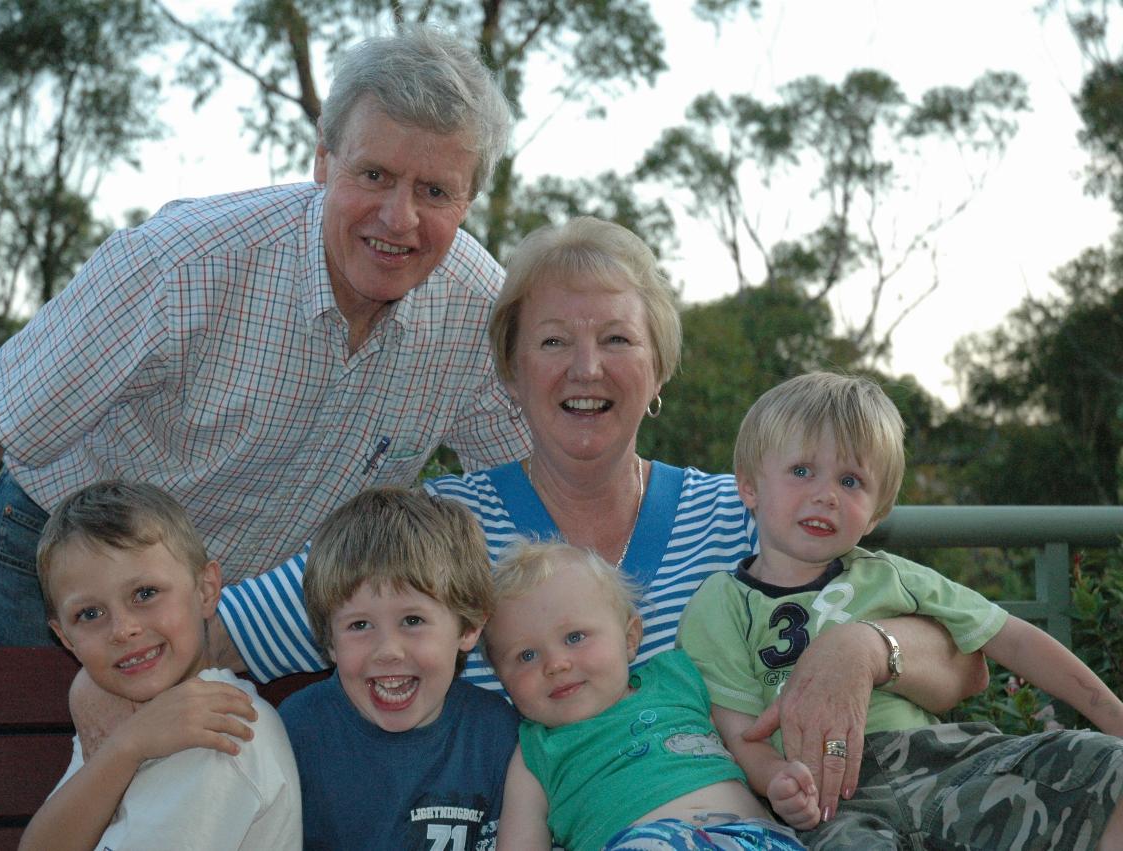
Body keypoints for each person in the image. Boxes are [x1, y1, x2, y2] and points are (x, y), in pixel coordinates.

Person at [217, 216, 987, 818]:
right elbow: (234, 632)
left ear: (657, 369)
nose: (587, 368)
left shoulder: (753, 516)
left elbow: (965, 663)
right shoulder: (438, 530)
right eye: (554, 341)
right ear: (512, 374)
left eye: (617, 339)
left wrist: (863, 645)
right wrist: (99, 691)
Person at [0, 26, 528, 681]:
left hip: (266, 624)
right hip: (73, 579)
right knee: (5, 793)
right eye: (375, 174)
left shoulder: (481, 314)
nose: (398, 217)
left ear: (469, 199)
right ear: (323, 158)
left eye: (434, 190)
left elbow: (527, 487)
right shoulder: (184, 265)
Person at [679, 371, 1123, 848]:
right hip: (828, 799)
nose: (826, 494)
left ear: (875, 513)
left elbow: (1012, 638)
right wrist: (777, 781)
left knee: (1108, 766)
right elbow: (738, 728)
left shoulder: (894, 576)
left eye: (851, 480)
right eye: (802, 471)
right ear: (749, 487)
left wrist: (1113, 716)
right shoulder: (719, 603)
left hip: (948, 768)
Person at [19, 480, 301, 850]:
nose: (123, 629)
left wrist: (128, 744)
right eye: (90, 613)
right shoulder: (123, 721)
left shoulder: (221, 735)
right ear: (65, 638)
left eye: (145, 594)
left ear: (206, 589)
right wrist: (125, 748)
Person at [485, 540, 809, 851]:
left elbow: (743, 739)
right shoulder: (534, 753)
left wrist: (776, 780)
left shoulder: (677, 679)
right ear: (502, 678)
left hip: (753, 837)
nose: (555, 664)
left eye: (574, 637)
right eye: (526, 656)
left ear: (629, 639)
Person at [277, 486, 517, 850]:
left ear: (468, 627)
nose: (387, 651)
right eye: (359, 625)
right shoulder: (296, 732)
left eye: (412, 620)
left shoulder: (497, 735)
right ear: (329, 640)